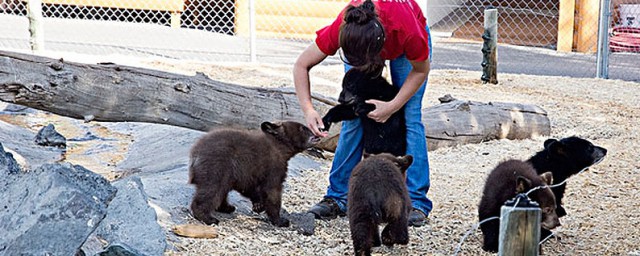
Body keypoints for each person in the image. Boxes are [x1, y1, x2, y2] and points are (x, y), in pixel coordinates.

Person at [293, 0, 433, 227]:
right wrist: (308, 110)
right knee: (353, 122)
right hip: (362, 43)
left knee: (410, 115)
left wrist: (392, 106)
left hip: (402, 43)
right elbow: (301, 65)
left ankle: (415, 201)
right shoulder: (344, 27)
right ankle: (338, 196)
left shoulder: (405, 27)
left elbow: (420, 70)